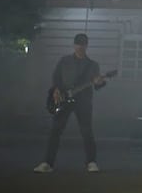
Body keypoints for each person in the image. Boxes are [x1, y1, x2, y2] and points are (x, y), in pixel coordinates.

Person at [34, 33, 107, 173]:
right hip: (64, 100)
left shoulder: (93, 65)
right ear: (74, 45)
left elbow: (97, 86)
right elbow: (56, 77)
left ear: (86, 46)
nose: (80, 47)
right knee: (55, 131)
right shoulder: (64, 61)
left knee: (87, 132)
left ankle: (91, 162)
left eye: (82, 44)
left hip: (83, 102)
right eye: (78, 44)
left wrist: (100, 82)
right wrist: (56, 90)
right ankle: (47, 163)